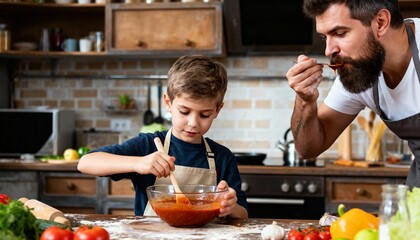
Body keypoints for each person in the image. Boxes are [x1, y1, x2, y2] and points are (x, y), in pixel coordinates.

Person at [78, 55, 249, 218]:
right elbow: (86, 162)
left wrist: (231, 207)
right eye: (184, 111)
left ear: (217, 111)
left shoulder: (222, 157)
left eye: (204, 115)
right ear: (168, 103)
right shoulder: (149, 145)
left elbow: (243, 213)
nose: (193, 123)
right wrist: (139, 163)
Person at [286, 0, 420, 188]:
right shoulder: (361, 71)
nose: (328, 50)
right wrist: (305, 100)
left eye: (340, 33)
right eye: (325, 38)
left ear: (380, 22)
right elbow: (308, 149)